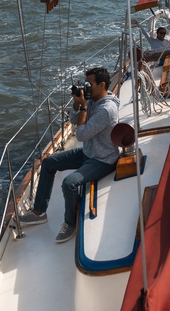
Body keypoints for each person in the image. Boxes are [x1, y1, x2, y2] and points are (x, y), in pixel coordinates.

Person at [21, 67, 120, 243]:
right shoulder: (94, 99)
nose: (86, 88)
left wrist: (83, 106)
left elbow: (80, 135)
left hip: (103, 159)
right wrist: (77, 104)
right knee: (49, 162)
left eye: (90, 84)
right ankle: (39, 212)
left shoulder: (106, 109)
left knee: (69, 183)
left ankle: (70, 223)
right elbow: (74, 120)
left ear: (102, 84)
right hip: (89, 152)